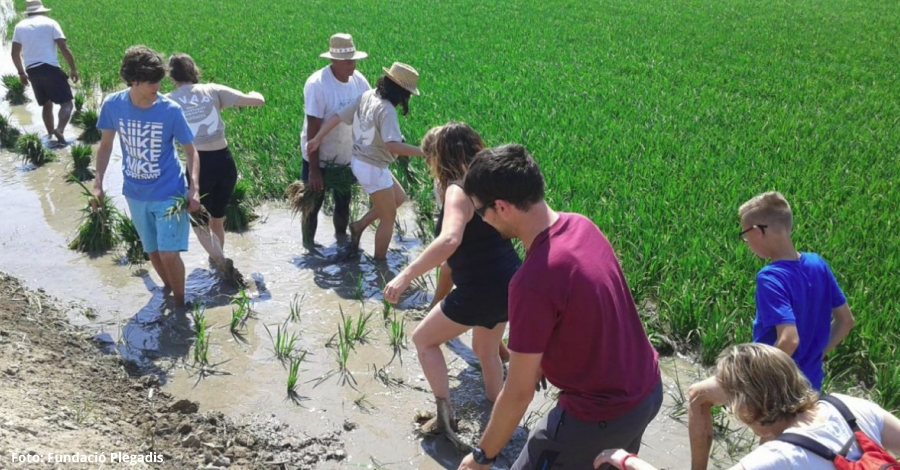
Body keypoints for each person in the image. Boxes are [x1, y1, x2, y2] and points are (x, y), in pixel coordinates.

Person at [457, 144, 662, 470]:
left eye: (481, 212)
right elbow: (592, 311)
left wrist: (482, 456)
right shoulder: (582, 225)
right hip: (648, 390)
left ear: (502, 207)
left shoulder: (531, 281)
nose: (483, 221)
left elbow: (519, 392)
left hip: (600, 414)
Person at [688, 191, 855, 470]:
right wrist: (817, 353)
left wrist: (755, 382)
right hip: (810, 385)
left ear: (758, 231)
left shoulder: (771, 277)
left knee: (698, 395)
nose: (746, 242)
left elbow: (789, 339)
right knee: (772, 452)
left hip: (776, 387)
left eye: (745, 234)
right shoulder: (818, 264)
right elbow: (845, 321)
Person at [382, 123, 521, 435]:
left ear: (440, 156)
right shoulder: (489, 185)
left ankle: (445, 417)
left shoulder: (457, 191)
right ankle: (502, 418)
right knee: (486, 350)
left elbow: (449, 240)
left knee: (423, 340)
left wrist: (404, 275)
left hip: (482, 288)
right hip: (510, 282)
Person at [594, 343, 900, 470]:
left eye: (731, 403)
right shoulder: (848, 405)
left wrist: (627, 460)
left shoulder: (775, 459)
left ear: (747, 405)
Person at [93, 45, 200, 308]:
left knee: (169, 253)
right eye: (152, 82)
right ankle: (168, 292)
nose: (158, 87)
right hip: (135, 193)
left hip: (170, 191)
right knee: (153, 252)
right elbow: (105, 147)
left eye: (159, 80)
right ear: (134, 80)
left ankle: (181, 305)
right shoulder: (113, 105)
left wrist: (194, 188)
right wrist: (98, 184)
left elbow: (191, 151)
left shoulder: (170, 110)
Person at [306, 62, 425, 260]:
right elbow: (393, 146)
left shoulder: (368, 96)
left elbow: (338, 117)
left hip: (359, 161)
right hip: (372, 167)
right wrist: (425, 152)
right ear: (401, 92)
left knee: (399, 198)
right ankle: (380, 265)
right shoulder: (387, 110)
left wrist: (317, 138)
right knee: (388, 218)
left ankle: (359, 225)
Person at [167, 53, 265, 277]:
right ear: (194, 70)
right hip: (225, 163)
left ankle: (220, 261)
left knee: (198, 221)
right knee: (217, 219)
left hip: (198, 166)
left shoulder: (168, 100)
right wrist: (255, 93)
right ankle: (219, 261)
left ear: (171, 76)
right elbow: (258, 101)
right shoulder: (213, 89)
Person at [299, 33, 371, 248]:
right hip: (319, 157)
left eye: (353, 59)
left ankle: (341, 243)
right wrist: (314, 170)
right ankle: (309, 248)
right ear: (333, 60)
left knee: (343, 203)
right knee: (312, 206)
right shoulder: (318, 85)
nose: (352, 64)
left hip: (345, 157)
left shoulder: (359, 81)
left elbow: (371, 111)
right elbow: (313, 130)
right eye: (347, 61)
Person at [10, 0, 79, 145]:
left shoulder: (19, 26)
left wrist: (21, 73)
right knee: (67, 103)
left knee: (46, 104)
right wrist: (73, 69)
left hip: (32, 71)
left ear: (28, 12)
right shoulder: (51, 23)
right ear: (42, 10)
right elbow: (63, 48)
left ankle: (50, 136)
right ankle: (59, 130)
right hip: (50, 68)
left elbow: (15, 53)